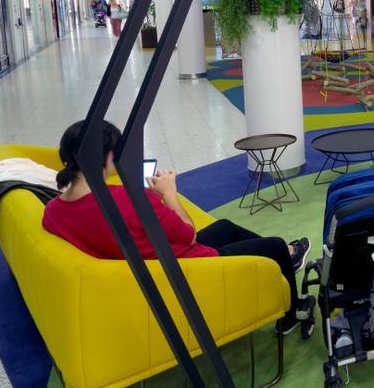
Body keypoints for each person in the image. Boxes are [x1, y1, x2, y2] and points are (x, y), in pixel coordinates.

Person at [43, 120, 313, 333]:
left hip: (151, 259)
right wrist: (169, 194)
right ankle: (293, 313)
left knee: (226, 226)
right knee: (274, 245)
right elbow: (189, 233)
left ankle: (288, 254)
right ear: (106, 157)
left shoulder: (53, 211)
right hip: (188, 265)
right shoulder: (130, 201)